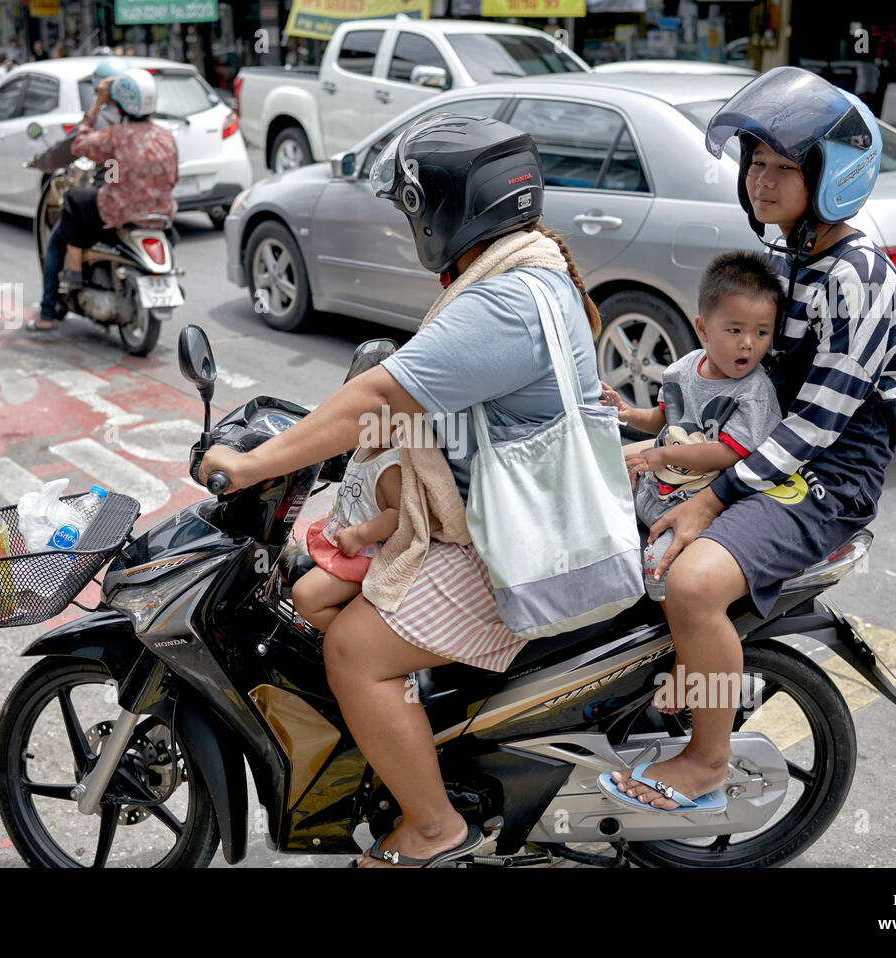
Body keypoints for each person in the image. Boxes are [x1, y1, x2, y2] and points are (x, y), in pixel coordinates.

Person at [199, 113, 606, 867]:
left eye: (413, 208)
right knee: (320, 593)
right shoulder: (528, 268)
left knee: (353, 651)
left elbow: (377, 400)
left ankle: (432, 828)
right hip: (513, 512)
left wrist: (252, 466)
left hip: (517, 542)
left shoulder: (505, 301)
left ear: (448, 208)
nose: (411, 224)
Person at [603, 66, 896, 812]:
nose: (759, 182)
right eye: (755, 162)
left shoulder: (858, 278)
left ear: (831, 177)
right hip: (771, 458)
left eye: (782, 167)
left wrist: (714, 495)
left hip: (827, 480)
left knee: (694, 581)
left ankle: (707, 766)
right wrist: (649, 420)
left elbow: (819, 422)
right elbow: (737, 373)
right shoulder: (789, 262)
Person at [600, 251, 783, 604]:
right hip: (654, 488)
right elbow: (665, 418)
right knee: (598, 491)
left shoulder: (754, 393)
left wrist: (661, 454)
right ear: (703, 329)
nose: (748, 342)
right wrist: (628, 414)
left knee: (658, 569)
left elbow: (728, 453)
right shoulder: (684, 370)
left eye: (761, 333)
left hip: (697, 507)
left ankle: (665, 618)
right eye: (735, 330)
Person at [30, 66, 177, 334]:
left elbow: (77, 145)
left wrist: (97, 104)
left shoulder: (113, 134)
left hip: (116, 211)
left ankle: (59, 294)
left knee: (73, 200)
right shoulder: (166, 136)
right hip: (160, 212)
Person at [293, 350, 403, 632]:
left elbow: (397, 514)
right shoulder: (366, 445)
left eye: (378, 414)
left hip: (363, 554)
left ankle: (342, 640)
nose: (365, 422)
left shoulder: (390, 465)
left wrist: (359, 535)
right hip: (342, 540)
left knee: (305, 596)